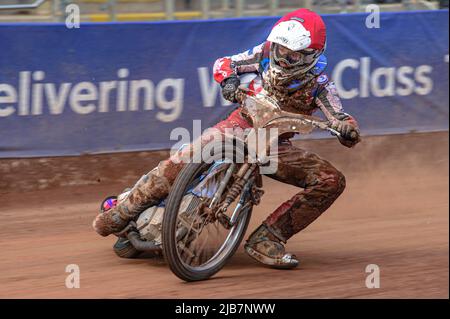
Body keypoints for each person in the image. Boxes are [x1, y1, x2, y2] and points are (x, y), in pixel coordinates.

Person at [93, 8, 360, 269]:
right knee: (183, 159)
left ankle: (269, 238)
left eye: (291, 55)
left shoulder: (321, 85)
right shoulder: (264, 53)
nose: (281, 57)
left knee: (331, 181)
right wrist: (228, 81)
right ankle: (122, 212)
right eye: (279, 49)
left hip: (274, 145)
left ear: (310, 56)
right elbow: (224, 63)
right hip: (239, 125)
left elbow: (340, 115)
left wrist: (347, 130)